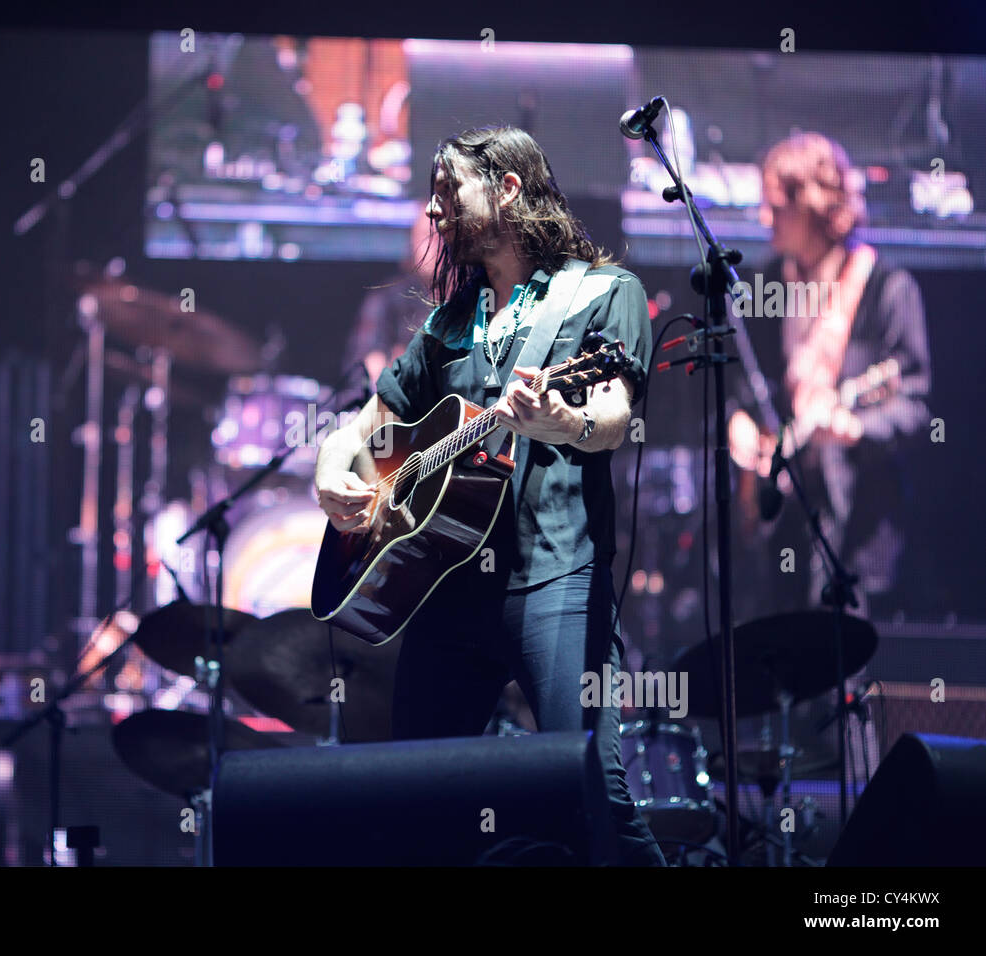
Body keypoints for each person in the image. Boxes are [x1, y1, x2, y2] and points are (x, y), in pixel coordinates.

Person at [314, 126, 664, 866]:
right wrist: (332, 459)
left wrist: (564, 419)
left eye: (449, 192)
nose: (434, 211)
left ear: (508, 190)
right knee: (414, 800)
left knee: (591, 794)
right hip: (445, 588)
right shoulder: (448, 323)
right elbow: (373, 423)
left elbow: (613, 416)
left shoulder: (603, 293)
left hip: (556, 578)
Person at [728, 132, 932, 621]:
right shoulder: (765, 282)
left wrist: (857, 428)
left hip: (857, 522)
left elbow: (915, 404)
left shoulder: (886, 287)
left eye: (775, 206)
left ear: (814, 205)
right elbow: (744, 383)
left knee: (846, 660)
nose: (764, 218)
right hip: (786, 517)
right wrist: (738, 421)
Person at [342, 209, 440, 389]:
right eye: (428, 236)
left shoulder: (475, 299)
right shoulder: (387, 297)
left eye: (443, 235)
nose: (436, 245)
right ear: (412, 242)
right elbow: (367, 366)